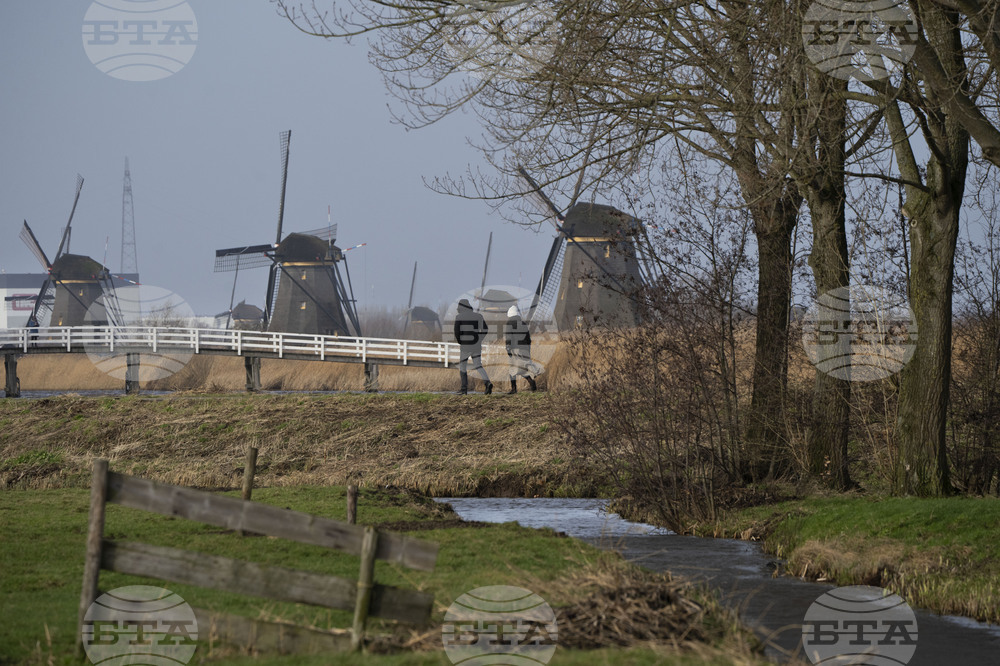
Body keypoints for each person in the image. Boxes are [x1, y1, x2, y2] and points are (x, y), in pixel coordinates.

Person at [454, 299, 493, 395]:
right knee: (478, 365)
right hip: (476, 345)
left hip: (465, 346)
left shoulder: (459, 317)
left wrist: (460, 341)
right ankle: (487, 383)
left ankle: (464, 390)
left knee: (463, 367)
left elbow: (457, 332)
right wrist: (479, 339)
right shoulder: (478, 316)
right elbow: (485, 329)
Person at [504, 305, 537, 393]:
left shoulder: (510, 323)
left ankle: (514, 389)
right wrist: (528, 350)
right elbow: (528, 339)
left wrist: (508, 348)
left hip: (515, 348)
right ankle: (531, 382)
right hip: (525, 348)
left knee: (512, 368)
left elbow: (509, 337)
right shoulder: (523, 323)